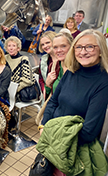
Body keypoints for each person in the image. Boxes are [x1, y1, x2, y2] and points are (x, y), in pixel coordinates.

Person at [39, 29, 108, 175]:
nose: (83, 52)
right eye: (79, 47)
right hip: (53, 141)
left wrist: (52, 137)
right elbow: (53, 103)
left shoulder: (103, 82)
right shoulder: (71, 71)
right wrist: (43, 125)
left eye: (90, 46)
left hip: (71, 149)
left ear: (101, 50)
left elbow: (89, 131)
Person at [5, 36, 36, 101]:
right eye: (9, 46)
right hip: (7, 90)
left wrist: (13, 90)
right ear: (6, 48)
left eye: (13, 46)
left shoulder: (23, 59)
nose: (11, 48)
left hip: (19, 91)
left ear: (18, 48)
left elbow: (27, 81)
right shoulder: (5, 58)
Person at [44, 32, 73, 100]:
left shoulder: (78, 69)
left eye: (63, 46)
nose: (59, 50)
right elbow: (50, 97)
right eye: (55, 47)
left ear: (71, 46)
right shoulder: (55, 66)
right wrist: (48, 84)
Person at [38, 31, 57, 97]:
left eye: (48, 42)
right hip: (47, 94)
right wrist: (44, 89)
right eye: (43, 44)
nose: (45, 46)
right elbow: (41, 79)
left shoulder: (62, 59)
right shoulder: (44, 60)